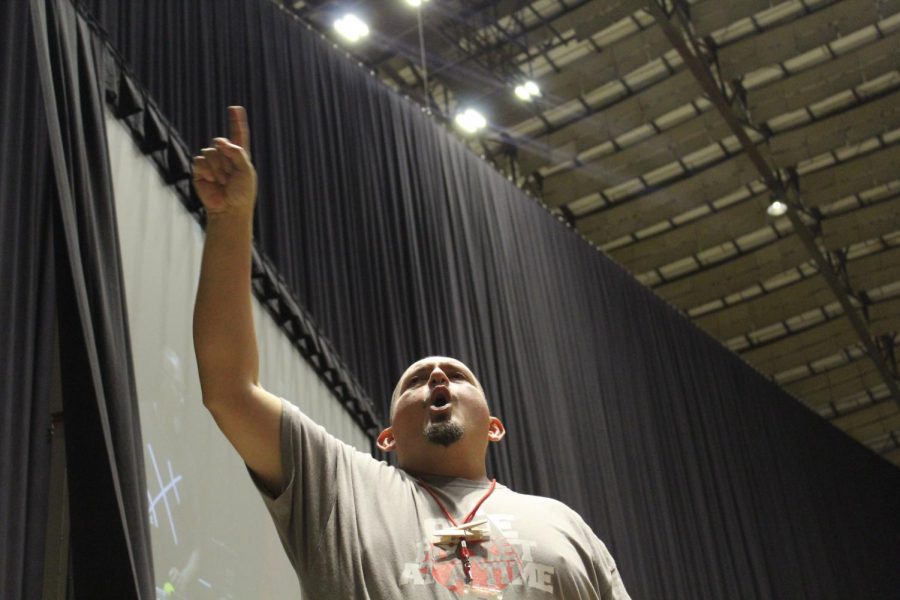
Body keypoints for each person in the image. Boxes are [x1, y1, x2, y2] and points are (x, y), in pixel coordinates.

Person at [192, 107, 631, 598]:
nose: (438, 379)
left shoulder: (563, 523)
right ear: (386, 437)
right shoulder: (341, 491)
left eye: (456, 376)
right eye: (417, 381)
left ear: (494, 427)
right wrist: (230, 220)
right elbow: (229, 390)